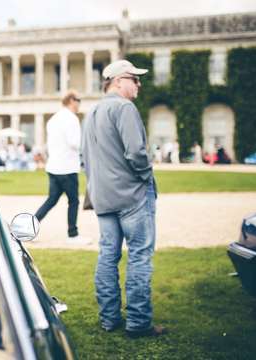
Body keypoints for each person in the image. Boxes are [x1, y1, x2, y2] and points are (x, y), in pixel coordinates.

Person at [81, 59, 166, 338]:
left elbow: (86, 159)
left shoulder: (92, 112)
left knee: (107, 257)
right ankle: (139, 323)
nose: (139, 84)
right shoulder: (124, 107)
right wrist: (146, 176)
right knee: (140, 257)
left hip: (103, 197)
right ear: (118, 81)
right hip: (131, 195)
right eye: (134, 78)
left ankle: (109, 319)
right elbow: (137, 153)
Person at [34, 90, 88, 244]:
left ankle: (26, 229)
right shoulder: (71, 118)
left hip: (54, 166)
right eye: (78, 100)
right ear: (71, 100)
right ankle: (73, 235)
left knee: (51, 200)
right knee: (74, 201)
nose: (79, 104)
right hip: (67, 167)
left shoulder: (54, 118)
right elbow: (74, 143)